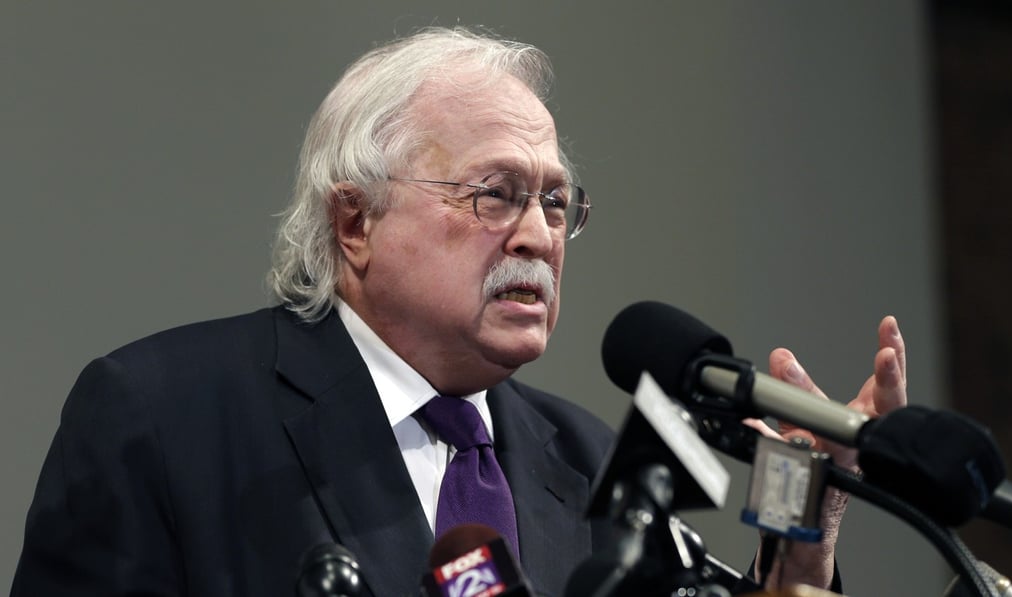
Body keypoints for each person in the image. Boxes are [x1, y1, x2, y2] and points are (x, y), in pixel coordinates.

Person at [12, 27, 907, 596]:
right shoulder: (161, 415)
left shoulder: (589, 461)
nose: (538, 237)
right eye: (495, 194)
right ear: (354, 219)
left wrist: (802, 529)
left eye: (557, 203)